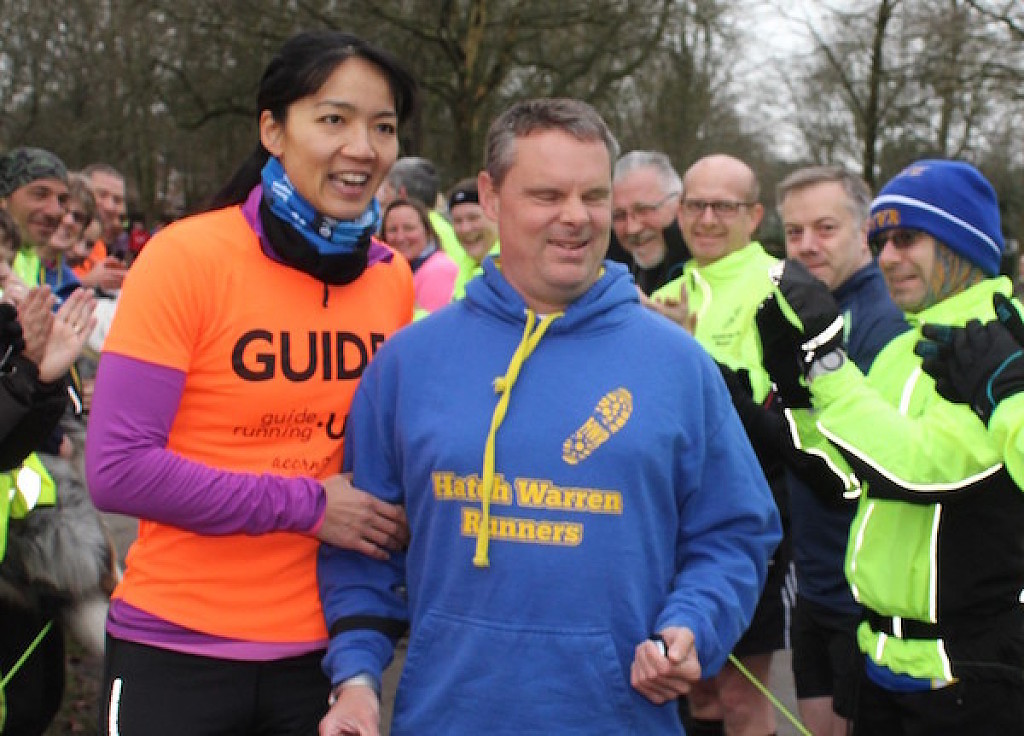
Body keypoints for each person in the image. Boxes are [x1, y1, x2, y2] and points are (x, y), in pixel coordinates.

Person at [317, 98, 781, 736]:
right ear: (491, 196)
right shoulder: (409, 362)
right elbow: (362, 549)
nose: (576, 217)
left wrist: (692, 625)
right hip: (446, 717)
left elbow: (735, 531)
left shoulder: (677, 364)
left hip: (619, 719)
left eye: (594, 196)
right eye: (547, 195)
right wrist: (357, 681)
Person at [85, 30, 418, 735]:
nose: (362, 147)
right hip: (175, 646)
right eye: (334, 119)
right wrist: (308, 506)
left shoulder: (390, 278)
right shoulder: (184, 258)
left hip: (324, 658)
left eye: (383, 127)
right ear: (273, 129)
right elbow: (118, 471)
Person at [756, 160, 1024, 734]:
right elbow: (848, 476)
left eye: (908, 238)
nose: (888, 258)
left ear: (962, 243)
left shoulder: (1000, 338)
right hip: (881, 659)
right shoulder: (905, 346)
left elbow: (923, 469)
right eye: (880, 243)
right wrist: (798, 394)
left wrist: (829, 366)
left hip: (966, 673)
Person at [650, 154, 792, 736]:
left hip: (749, 512)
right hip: (674, 512)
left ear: (754, 215)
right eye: (695, 205)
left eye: (723, 207)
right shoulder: (665, 292)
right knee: (694, 686)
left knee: (740, 691)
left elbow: (783, 427)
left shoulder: (781, 287)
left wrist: (691, 354)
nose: (707, 219)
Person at [772, 165, 909, 736]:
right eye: (794, 232)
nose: (807, 245)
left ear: (863, 232)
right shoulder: (795, 309)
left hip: (867, 596)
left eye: (825, 228)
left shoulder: (885, 319)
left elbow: (852, 461)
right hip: (815, 582)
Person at [611, 150, 690, 295]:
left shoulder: (710, 266)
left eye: (644, 210)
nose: (632, 228)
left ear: (679, 204)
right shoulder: (606, 273)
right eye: (619, 216)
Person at [377, 156, 465, 263]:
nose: (381, 199)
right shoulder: (447, 226)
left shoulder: (425, 233)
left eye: (386, 191)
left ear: (402, 194)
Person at [381, 198, 458, 315]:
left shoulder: (438, 269)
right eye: (392, 230)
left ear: (427, 231)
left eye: (409, 228)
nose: (400, 237)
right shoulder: (392, 270)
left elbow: (434, 323)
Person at [78, 163, 128, 293]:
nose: (110, 206)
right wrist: (87, 282)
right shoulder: (55, 237)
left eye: (117, 200)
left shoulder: (100, 246)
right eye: (101, 195)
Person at [447, 177, 500, 300]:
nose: (465, 229)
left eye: (473, 218)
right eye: (458, 221)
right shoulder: (465, 267)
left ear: (496, 216)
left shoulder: (510, 271)